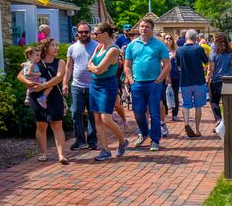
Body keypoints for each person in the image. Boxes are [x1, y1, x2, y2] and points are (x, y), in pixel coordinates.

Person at [17, 37, 68, 164]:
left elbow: (59, 78)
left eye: (57, 45)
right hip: (37, 96)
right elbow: (20, 76)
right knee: (41, 125)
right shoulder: (36, 61)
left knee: (57, 124)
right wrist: (29, 83)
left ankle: (61, 155)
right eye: (53, 46)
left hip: (54, 95)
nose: (56, 48)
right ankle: (43, 153)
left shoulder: (60, 62)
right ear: (46, 48)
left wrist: (43, 86)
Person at [124, 17, 170, 151]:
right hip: (137, 84)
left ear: (152, 29)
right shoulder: (132, 45)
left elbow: (167, 65)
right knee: (138, 112)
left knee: (155, 113)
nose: (144, 29)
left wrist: (159, 80)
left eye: (147, 27)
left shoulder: (159, 45)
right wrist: (131, 81)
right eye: (142, 26)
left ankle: (155, 140)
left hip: (154, 84)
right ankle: (144, 133)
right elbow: (127, 66)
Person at [87, 22, 129, 161]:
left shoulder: (113, 50)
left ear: (104, 34)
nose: (93, 36)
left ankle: (123, 141)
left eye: (96, 33)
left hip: (107, 85)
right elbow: (91, 65)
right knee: (97, 119)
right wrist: (94, 67)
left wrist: (94, 67)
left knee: (106, 118)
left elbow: (99, 69)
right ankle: (105, 150)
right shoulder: (99, 47)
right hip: (94, 84)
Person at [65, 22, 99, 151]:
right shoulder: (72, 48)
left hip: (93, 85)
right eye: (81, 32)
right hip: (76, 86)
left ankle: (92, 141)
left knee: (92, 114)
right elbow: (69, 67)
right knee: (75, 113)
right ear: (77, 33)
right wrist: (64, 83)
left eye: (86, 31)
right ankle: (80, 141)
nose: (84, 34)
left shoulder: (97, 46)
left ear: (90, 32)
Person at [176, 29, 209, 138]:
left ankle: (186, 123)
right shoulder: (199, 48)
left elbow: (178, 65)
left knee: (186, 104)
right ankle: (198, 129)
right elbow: (206, 61)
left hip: (185, 81)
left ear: (185, 38)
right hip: (199, 80)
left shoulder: (179, 50)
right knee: (198, 106)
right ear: (196, 38)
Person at [207, 32, 232, 128]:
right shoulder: (231, 52)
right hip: (229, 80)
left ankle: (219, 120)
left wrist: (208, 79)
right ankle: (228, 121)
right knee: (227, 102)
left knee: (214, 101)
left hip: (217, 80)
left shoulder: (213, 53)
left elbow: (211, 69)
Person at [162, 33, 181, 124]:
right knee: (163, 95)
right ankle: (165, 112)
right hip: (163, 76)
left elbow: (180, 63)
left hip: (175, 75)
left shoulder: (176, 51)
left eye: (170, 38)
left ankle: (175, 114)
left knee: (175, 95)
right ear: (164, 40)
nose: (169, 40)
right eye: (166, 38)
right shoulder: (162, 51)